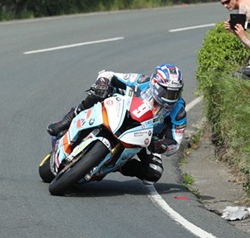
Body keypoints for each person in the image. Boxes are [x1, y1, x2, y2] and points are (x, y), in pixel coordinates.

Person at [46, 64, 187, 184]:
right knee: (97, 94)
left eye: (175, 93)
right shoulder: (142, 81)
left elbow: (175, 142)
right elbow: (109, 75)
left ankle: (119, 165)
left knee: (154, 172)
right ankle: (68, 120)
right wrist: (103, 83)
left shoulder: (178, 111)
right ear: (155, 84)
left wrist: (162, 146)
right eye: (167, 92)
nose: (171, 97)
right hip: (119, 113)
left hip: (144, 138)